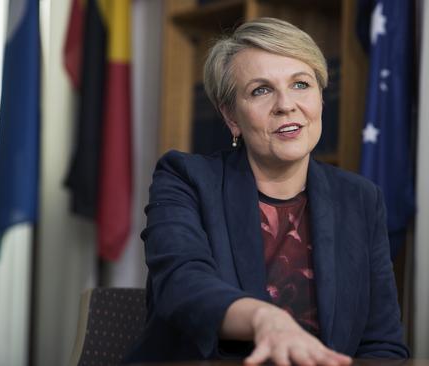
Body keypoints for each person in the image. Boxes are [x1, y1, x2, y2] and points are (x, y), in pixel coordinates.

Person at [125, 17, 409, 365]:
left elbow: (382, 345)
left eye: (301, 84)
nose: (286, 104)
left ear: (320, 97)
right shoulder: (186, 179)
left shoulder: (360, 199)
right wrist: (265, 319)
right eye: (261, 90)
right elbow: (182, 284)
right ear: (231, 116)